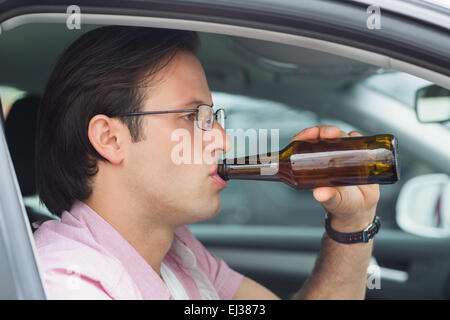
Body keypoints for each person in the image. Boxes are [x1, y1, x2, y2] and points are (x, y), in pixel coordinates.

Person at [34, 26, 380, 300]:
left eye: (212, 117)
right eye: (191, 116)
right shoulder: (69, 285)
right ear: (110, 139)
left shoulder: (177, 253)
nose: (223, 140)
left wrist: (351, 223)